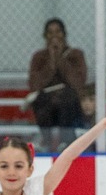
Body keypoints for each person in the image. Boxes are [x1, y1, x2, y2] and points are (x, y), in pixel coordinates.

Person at [26, 17, 90, 151]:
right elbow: (35, 85)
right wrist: (51, 61)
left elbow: (78, 83)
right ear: (45, 36)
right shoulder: (39, 57)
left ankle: (66, 141)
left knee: (67, 97)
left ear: (64, 34)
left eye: (58, 32)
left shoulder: (76, 55)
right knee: (41, 99)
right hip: (46, 104)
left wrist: (60, 59)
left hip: (70, 103)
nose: (54, 36)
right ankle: (46, 141)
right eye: (50, 32)